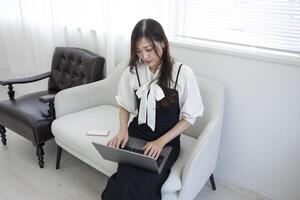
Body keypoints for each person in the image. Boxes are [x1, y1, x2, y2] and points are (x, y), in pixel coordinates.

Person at [101, 18, 204, 200]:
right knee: (125, 180)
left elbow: (189, 117)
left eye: (149, 49)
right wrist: (123, 130)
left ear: (163, 43)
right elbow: (124, 104)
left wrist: (160, 142)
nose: (145, 56)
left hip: (166, 143)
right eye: (139, 51)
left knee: (146, 182)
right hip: (136, 135)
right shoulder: (133, 72)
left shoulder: (182, 74)